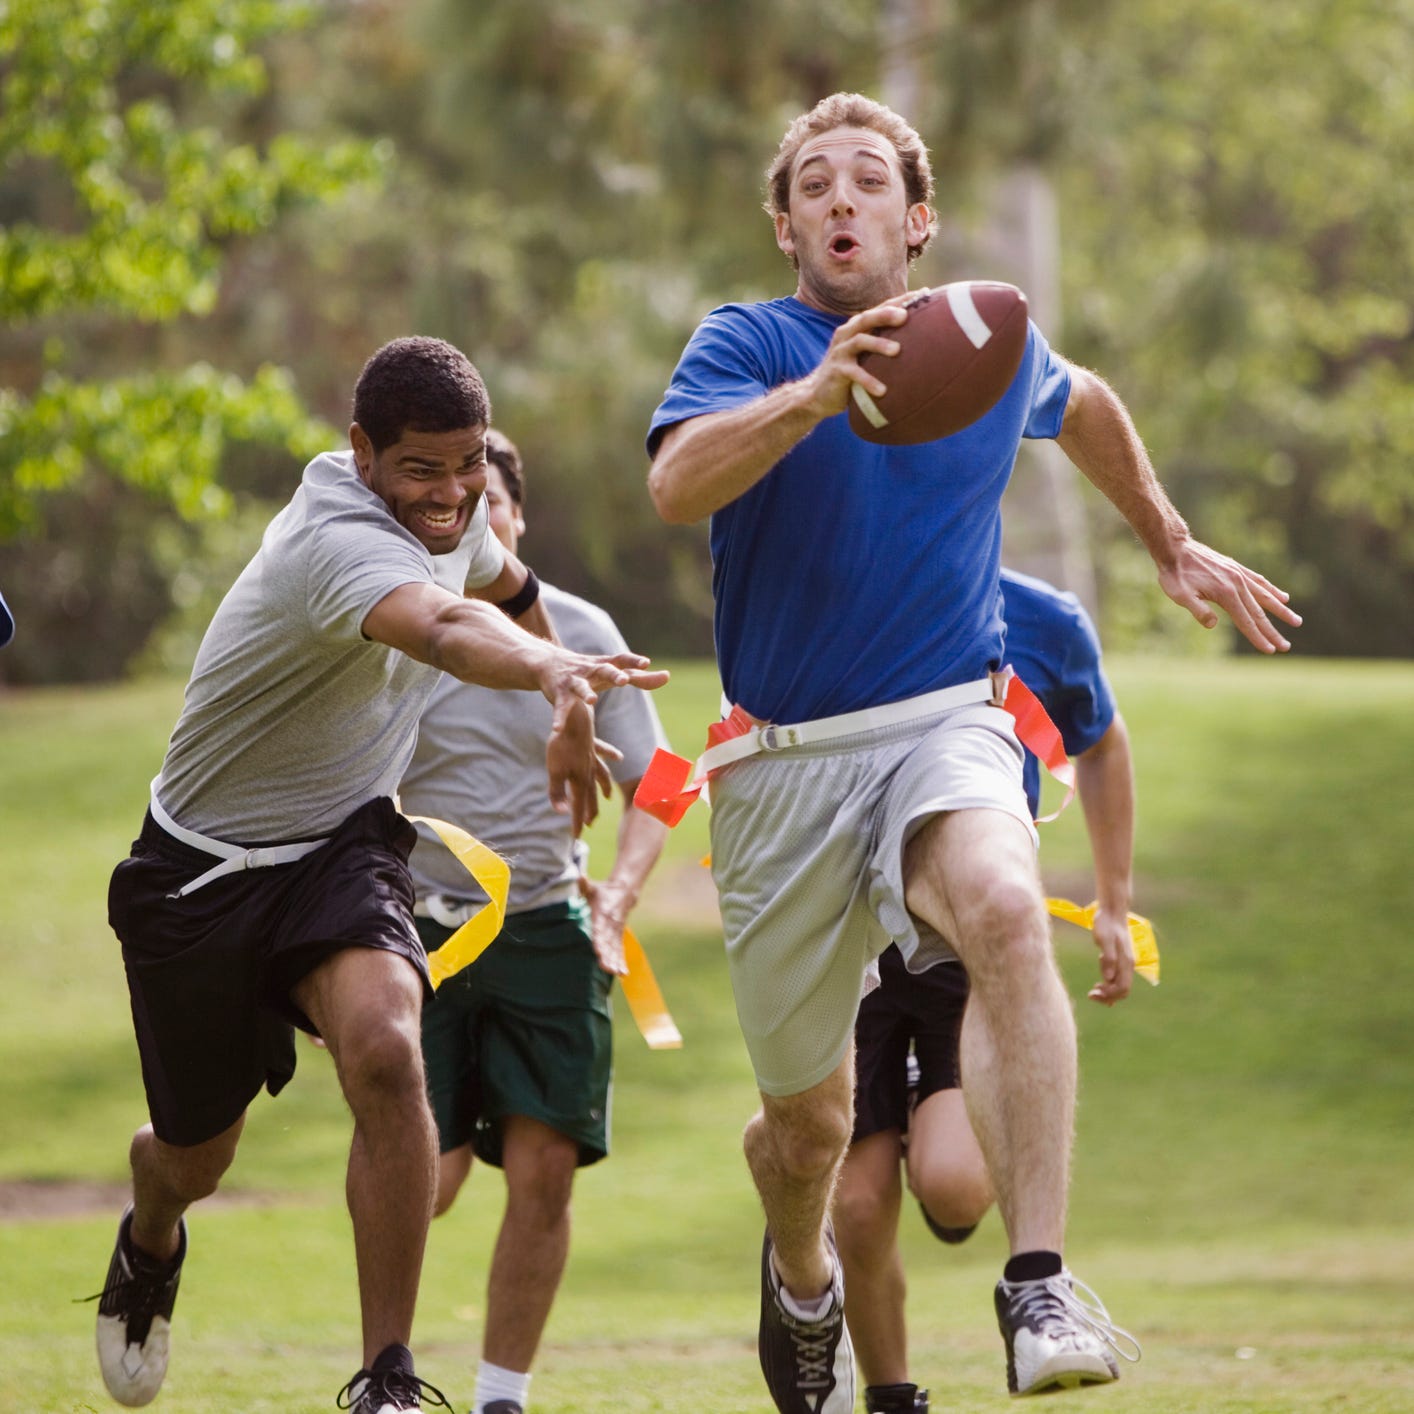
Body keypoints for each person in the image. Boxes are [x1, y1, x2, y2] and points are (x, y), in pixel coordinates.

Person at [644, 92, 1299, 1411]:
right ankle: (799, 1273)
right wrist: (810, 399)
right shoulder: (746, 343)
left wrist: (1164, 536)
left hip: (943, 719)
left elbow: (1088, 400)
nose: (840, 199)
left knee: (1004, 910)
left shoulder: (986, 339)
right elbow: (675, 484)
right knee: (808, 1127)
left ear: (915, 217)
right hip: (778, 768)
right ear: (785, 228)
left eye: (867, 180)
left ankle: (1040, 1278)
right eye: (813, 185)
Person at [93, 337, 667, 1414]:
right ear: (362, 452)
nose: (451, 497)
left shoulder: (456, 520)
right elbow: (448, 626)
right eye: (421, 471)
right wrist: (552, 667)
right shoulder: (336, 543)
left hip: (339, 849)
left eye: (467, 470)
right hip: (199, 873)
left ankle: (387, 1375)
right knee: (194, 1154)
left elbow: (508, 582)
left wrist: (566, 705)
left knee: (389, 1048)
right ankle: (151, 1233)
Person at [398, 429, 670, 1414]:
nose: (474, 519)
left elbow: (665, 778)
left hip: (553, 925)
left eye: (491, 504)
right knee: (424, 1180)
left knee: (544, 1168)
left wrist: (623, 893)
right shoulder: (403, 627)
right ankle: (388, 1373)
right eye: (454, 506)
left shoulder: (583, 630)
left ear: (515, 519)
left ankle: (499, 1396)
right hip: (420, 932)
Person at [834, 567, 1140, 1414]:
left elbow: (1101, 739)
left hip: (965, 938)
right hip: (852, 934)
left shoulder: (1048, 619)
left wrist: (1113, 904)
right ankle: (891, 1394)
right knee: (858, 1206)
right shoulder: (849, 589)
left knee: (957, 1187)